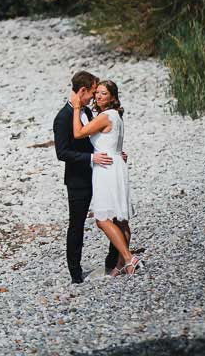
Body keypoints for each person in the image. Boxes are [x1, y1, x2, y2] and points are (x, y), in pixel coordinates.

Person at [53, 71, 120, 283]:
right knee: (77, 225)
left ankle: (114, 262)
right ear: (82, 91)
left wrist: (114, 153)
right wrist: (92, 158)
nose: (94, 97)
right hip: (78, 180)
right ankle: (75, 274)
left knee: (113, 215)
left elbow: (96, 139)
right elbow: (62, 153)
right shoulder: (63, 117)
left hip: (100, 174)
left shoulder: (88, 113)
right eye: (92, 92)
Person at [72, 79, 140, 275]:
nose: (99, 96)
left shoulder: (106, 116)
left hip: (106, 168)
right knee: (120, 219)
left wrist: (76, 108)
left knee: (102, 219)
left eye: (104, 93)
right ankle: (121, 265)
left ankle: (129, 258)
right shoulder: (116, 115)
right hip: (115, 163)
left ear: (113, 97)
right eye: (98, 93)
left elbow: (78, 133)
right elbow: (112, 142)